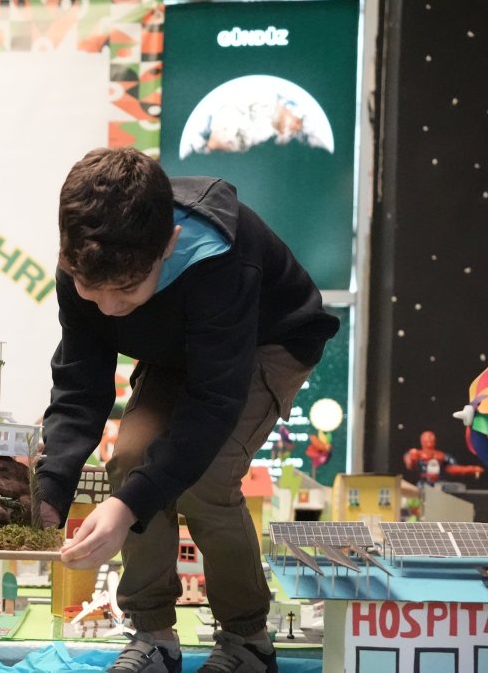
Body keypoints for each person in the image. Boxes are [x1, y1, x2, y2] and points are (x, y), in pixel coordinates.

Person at [35, 147, 340, 673]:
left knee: (204, 480)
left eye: (126, 289)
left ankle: (247, 640)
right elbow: (81, 382)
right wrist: (52, 487)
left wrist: (127, 509)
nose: (106, 308)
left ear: (170, 245)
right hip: (177, 350)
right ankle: (153, 636)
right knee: (130, 462)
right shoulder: (85, 263)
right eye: (91, 289)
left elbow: (215, 400)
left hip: (266, 341)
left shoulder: (220, 256)